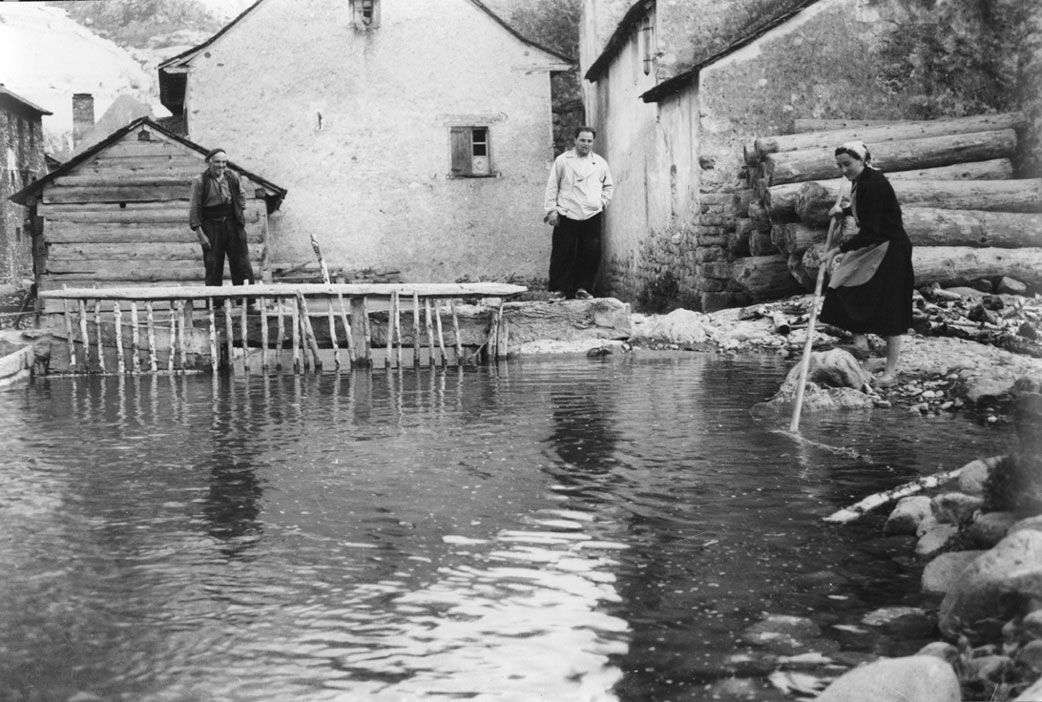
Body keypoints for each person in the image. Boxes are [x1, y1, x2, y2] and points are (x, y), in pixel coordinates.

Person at [820, 141, 914, 388]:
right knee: (841, 281)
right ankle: (860, 342)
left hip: (890, 249)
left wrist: (836, 250)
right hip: (875, 244)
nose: (843, 170)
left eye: (847, 164)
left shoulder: (874, 184)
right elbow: (867, 210)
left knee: (892, 309)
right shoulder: (862, 181)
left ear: (862, 160)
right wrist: (846, 212)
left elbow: (871, 229)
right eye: (840, 165)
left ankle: (890, 372)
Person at [543, 126, 614, 300]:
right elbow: (552, 186)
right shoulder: (563, 161)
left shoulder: (600, 163)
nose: (585, 144)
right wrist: (552, 210)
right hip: (567, 212)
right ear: (575, 140)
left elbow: (608, 186)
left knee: (590, 252)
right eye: (582, 140)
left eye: (589, 141)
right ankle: (560, 290)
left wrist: (601, 203)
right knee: (563, 252)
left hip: (591, 214)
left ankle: (583, 288)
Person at [189, 148, 256, 295]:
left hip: (233, 224)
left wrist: (238, 212)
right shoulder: (200, 181)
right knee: (213, 265)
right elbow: (194, 208)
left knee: (242, 263)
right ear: (209, 162)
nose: (221, 166)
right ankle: (216, 306)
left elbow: (241, 195)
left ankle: (248, 301)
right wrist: (201, 235)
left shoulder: (232, 177)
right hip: (211, 226)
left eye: (224, 162)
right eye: (218, 162)